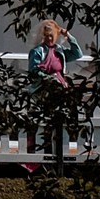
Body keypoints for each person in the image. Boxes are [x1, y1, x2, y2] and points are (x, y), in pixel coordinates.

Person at [24, 18, 69, 176]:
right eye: (47, 36)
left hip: (56, 94)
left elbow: (77, 53)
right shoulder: (37, 52)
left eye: (52, 35)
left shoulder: (59, 51)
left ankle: (51, 163)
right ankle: (32, 162)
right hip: (40, 92)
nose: (49, 38)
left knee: (52, 127)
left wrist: (68, 36)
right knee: (35, 126)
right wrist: (49, 79)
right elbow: (33, 71)